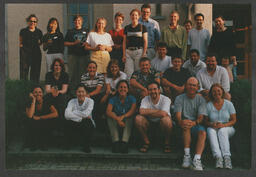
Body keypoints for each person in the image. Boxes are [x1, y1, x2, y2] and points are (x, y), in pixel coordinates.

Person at [174, 77, 207, 171]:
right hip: (184, 124)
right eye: (189, 84)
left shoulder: (201, 99)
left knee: (203, 133)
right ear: (185, 86)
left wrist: (194, 122)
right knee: (186, 125)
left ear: (197, 87)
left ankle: (197, 159)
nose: (191, 87)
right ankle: (187, 156)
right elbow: (178, 115)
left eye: (194, 85)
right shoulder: (179, 98)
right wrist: (181, 122)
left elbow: (201, 117)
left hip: (196, 123)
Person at [205, 84, 237, 169]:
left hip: (228, 128)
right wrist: (212, 124)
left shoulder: (229, 104)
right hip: (213, 127)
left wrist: (223, 125)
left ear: (222, 91)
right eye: (214, 91)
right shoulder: (208, 105)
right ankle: (218, 157)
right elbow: (205, 121)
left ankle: (227, 158)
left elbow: (234, 120)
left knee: (222, 131)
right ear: (211, 93)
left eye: (218, 90)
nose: (216, 93)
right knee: (210, 130)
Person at [135, 81, 172, 153]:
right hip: (149, 123)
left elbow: (164, 114)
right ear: (148, 91)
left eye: (155, 89)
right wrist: (158, 112)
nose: (153, 91)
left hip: (162, 124)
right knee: (138, 118)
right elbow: (141, 112)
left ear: (159, 90)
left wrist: (148, 112)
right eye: (150, 90)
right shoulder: (145, 99)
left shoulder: (166, 99)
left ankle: (167, 143)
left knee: (166, 120)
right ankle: (146, 142)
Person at [106, 80, 136, 153]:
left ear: (128, 89)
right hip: (116, 121)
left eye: (125, 87)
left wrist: (122, 117)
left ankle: (124, 143)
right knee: (110, 116)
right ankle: (115, 142)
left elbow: (132, 111)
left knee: (129, 117)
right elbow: (108, 111)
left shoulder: (132, 98)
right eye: (121, 87)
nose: (123, 89)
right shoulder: (113, 99)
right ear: (117, 89)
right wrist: (117, 119)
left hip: (126, 120)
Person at [25, 85, 58, 151]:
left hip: (44, 122)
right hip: (34, 124)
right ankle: (34, 144)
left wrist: (40, 117)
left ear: (42, 94)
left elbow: (56, 114)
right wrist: (33, 101)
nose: (38, 94)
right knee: (32, 121)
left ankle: (43, 144)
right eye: (35, 92)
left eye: (40, 92)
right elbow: (30, 115)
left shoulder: (46, 101)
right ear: (32, 94)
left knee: (44, 123)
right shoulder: (29, 102)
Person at [64, 84, 95, 153]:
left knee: (87, 122)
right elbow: (66, 115)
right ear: (76, 93)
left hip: (87, 123)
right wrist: (80, 118)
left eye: (83, 92)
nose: (81, 94)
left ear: (86, 93)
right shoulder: (72, 101)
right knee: (67, 121)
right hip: (76, 122)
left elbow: (86, 114)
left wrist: (74, 112)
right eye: (79, 92)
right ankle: (67, 144)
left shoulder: (90, 101)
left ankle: (86, 146)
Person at [208, 15, 237, 80]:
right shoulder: (215, 34)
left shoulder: (230, 32)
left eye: (219, 21)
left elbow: (233, 45)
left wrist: (234, 58)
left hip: (229, 59)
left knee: (231, 79)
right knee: (220, 78)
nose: (218, 23)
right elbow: (211, 48)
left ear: (223, 21)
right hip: (218, 60)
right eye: (216, 22)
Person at [64, 15, 90, 88]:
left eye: (79, 20)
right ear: (74, 22)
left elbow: (90, 42)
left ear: (82, 22)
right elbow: (65, 43)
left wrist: (86, 43)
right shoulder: (70, 31)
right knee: (72, 73)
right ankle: (72, 89)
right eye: (76, 20)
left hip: (84, 55)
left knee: (83, 73)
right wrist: (73, 43)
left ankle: (83, 88)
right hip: (73, 55)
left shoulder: (86, 31)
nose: (77, 22)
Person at [122, 9, 148, 79]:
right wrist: (124, 54)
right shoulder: (127, 28)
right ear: (130, 16)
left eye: (136, 15)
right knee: (128, 72)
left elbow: (145, 41)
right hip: (128, 52)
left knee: (138, 71)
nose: (134, 16)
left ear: (139, 16)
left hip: (139, 52)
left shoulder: (143, 27)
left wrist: (144, 53)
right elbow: (124, 42)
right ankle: (129, 88)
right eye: (132, 15)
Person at [80, 61, 105, 130]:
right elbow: (83, 88)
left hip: (97, 95)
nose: (92, 69)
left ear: (96, 68)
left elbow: (98, 90)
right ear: (87, 69)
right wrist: (87, 95)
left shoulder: (100, 76)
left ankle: (96, 126)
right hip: (87, 95)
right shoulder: (83, 76)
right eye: (90, 68)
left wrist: (89, 95)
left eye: (94, 68)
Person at [19, 14, 43, 83]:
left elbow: (40, 43)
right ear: (28, 21)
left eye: (34, 21)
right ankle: (24, 90)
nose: (32, 23)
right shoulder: (23, 31)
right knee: (24, 73)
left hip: (36, 54)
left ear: (36, 23)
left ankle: (34, 89)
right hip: (25, 54)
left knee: (35, 73)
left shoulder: (39, 32)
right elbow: (20, 42)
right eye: (31, 21)